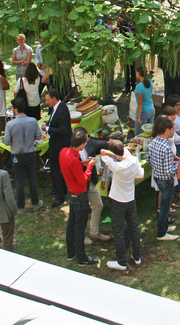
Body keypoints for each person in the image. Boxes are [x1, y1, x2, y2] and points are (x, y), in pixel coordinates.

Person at [101, 139, 145, 271]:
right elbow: (140, 175)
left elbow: (103, 154)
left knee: (118, 231)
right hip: (130, 199)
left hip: (117, 200)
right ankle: (137, 256)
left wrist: (114, 156)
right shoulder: (134, 160)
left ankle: (121, 261)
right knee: (134, 227)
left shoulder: (116, 166)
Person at [60, 127, 100, 265]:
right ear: (82, 144)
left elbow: (73, 165)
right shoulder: (73, 160)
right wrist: (89, 167)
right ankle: (82, 257)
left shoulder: (64, 152)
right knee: (80, 226)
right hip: (80, 194)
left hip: (71, 193)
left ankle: (71, 252)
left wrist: (83, 163)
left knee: (71, 222)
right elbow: (83, 179)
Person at [3, 96, 43, 210]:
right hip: (30, 153)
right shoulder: (32, 121)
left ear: (15, 109)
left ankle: (20, 206)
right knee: (32, 178)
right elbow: (38, 136)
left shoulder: (10, 124)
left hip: (16, 155)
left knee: (19, 180)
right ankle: (35, 203)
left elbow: (6, 141)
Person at [147, 116, 180, 242]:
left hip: (157, 177)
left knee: (164, 206)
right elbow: (168, 172)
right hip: (166, 181)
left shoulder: (154, 141)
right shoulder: (166, 147)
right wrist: (178, 165)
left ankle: (165, 227)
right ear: (167, 130)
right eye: (172, 129)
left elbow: (149, 160)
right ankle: (161, 233)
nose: (174, 132)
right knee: (165, 207)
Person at [44, 88, 72, 207]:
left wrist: (47, 129)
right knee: (57, 168)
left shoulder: (62, 109)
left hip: (60, 144)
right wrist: (49, 123)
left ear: (54, 99)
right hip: (57, 143)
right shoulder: (57, 108)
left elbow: (62, 130)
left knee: (56, 168)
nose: (46, 102)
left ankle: (59, 195)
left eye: (47, 100)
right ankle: (59, 188)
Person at [133, 65, 156, 132]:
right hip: (151, 109)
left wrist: (139, 117)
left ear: (138, 73)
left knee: (139, 133)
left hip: (144, 111)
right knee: (149, 132)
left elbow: (140, 103)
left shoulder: (139, 87)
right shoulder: (150, 81)